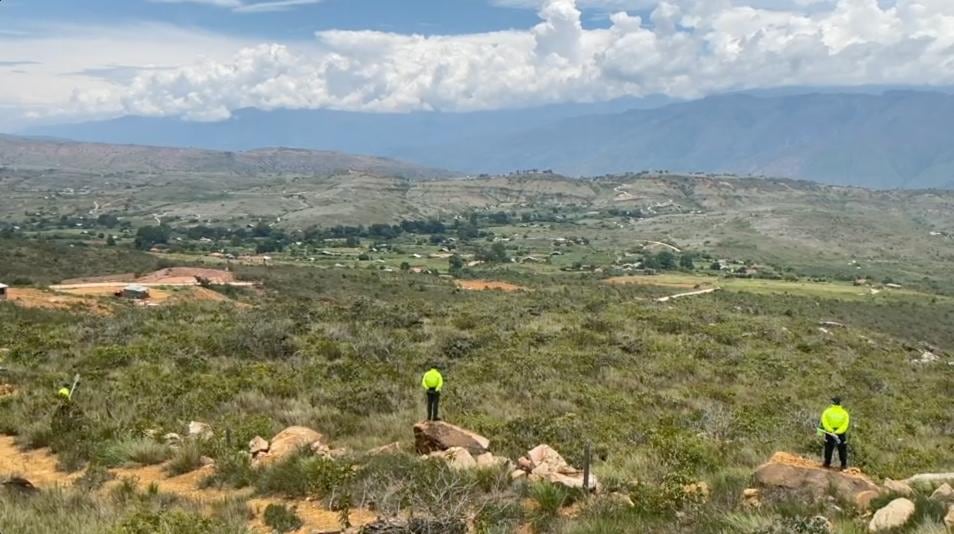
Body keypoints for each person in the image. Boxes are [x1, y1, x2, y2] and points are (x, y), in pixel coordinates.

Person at [818, 396, 850, 469]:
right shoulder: (844, 413)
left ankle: (827, 463)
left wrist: (830, 430)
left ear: (832, 403)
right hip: (840, 433)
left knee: (828, 447)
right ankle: (843, 465)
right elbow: (845, 424)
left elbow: (824, 421)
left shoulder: (827, 411)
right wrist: (838, 432)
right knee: (842, 448)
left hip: (829, 433)